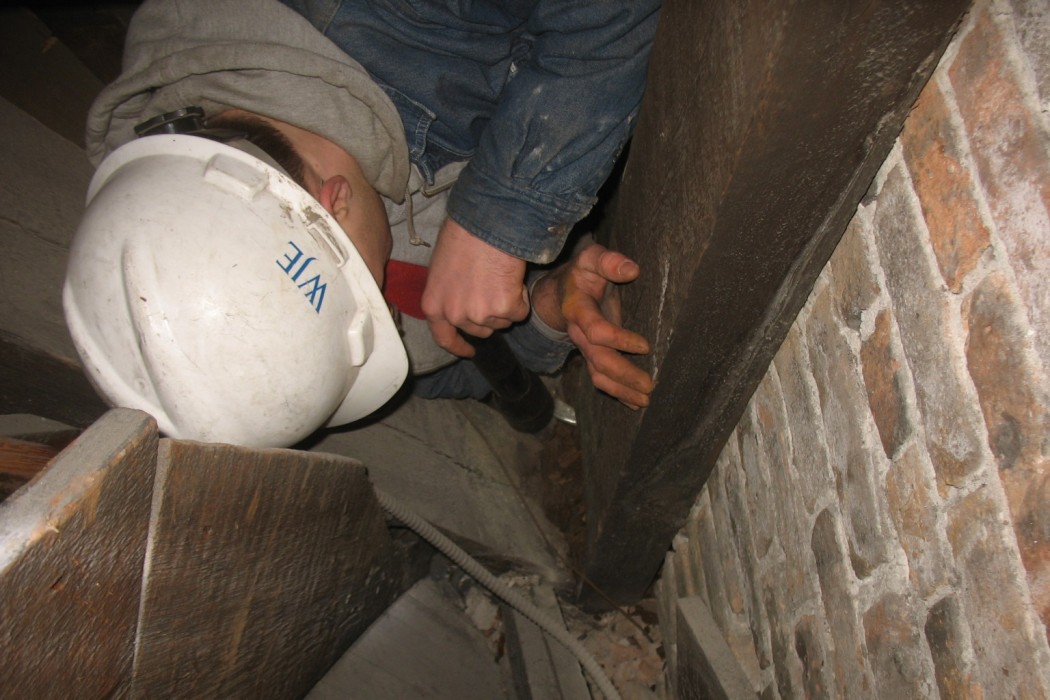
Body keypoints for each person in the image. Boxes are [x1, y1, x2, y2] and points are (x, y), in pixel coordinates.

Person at [72, 0, 654, 446]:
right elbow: (428, 371)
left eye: (372, 291)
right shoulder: (306, 281)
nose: (386, 303)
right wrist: (548, 307)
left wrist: (499, 220)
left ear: (335, 199)